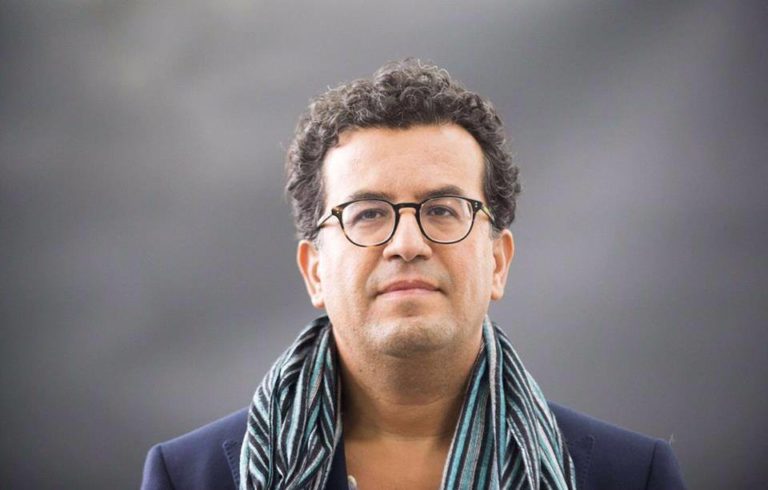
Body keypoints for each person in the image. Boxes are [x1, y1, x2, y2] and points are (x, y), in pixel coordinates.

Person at [141, 59, 686, 489]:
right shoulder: (190, 478)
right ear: (315, 272)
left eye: (443, 210)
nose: (407, 244)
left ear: (498, 262)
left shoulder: (630, 476)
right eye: (368, 214)